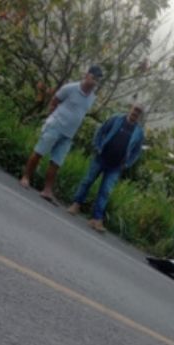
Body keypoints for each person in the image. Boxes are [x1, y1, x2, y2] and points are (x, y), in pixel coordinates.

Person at [19, 65, 103, 202]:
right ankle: (26, 177)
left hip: (69, 134)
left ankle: (47, 190)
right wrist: (53, 118)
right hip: (56, 126)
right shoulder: (70, 88)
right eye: (93, 78)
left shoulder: (92, 97)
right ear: (87, 75)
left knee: (56, 162)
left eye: (97, 81)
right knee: (39, 152)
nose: (94, 82)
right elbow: (55, 101)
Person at [67, 104, 145, 232]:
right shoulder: (116, 119)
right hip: (100, 158)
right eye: (135, 110)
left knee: (105, 191)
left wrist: (127, 164)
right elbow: (101, 131)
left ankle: (96, 219)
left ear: (140, 116)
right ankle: (76, 204)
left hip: (116, 166)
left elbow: (137, 152)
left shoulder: (139, 132)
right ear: (130, 109)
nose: (135, 113)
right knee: (87, 181)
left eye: (139, 112)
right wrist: (97, 147)